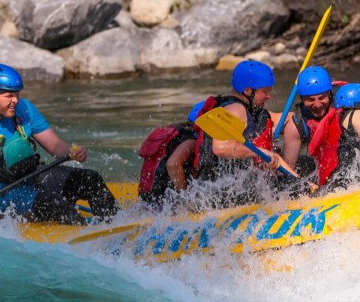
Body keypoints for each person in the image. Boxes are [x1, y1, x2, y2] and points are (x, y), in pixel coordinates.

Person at [0, 63, 118, 224]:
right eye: (9, 95)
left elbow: (55, 145)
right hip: (1, 197)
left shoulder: (23, 109)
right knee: (58, 207)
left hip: (31, 178)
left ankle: (117, 223)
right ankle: (88, 235)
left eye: (17, 94)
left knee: (90, 179)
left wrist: (73, 151)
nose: (15, 100)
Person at [193, 60, 298, 205]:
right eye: (265, 91)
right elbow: (220, 148)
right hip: (219, 193)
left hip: (233, 188)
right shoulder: (235, 109)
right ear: (248, 91)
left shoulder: (249, 109)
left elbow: (282, 118)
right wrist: (261, 151)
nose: (269, 96)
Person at [136, 101, 204, 207]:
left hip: (147, 196)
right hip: (163, 200)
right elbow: (173, 164)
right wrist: (185, 197)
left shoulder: (178, 132)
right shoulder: (192, 140)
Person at [281, 65, 337, 178]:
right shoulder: (296, 126)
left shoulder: (345, 108)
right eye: (310, 100)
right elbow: (288, 171)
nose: (317, 104)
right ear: (302, 99)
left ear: (330, 94)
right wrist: (305, 185)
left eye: (322, 98)